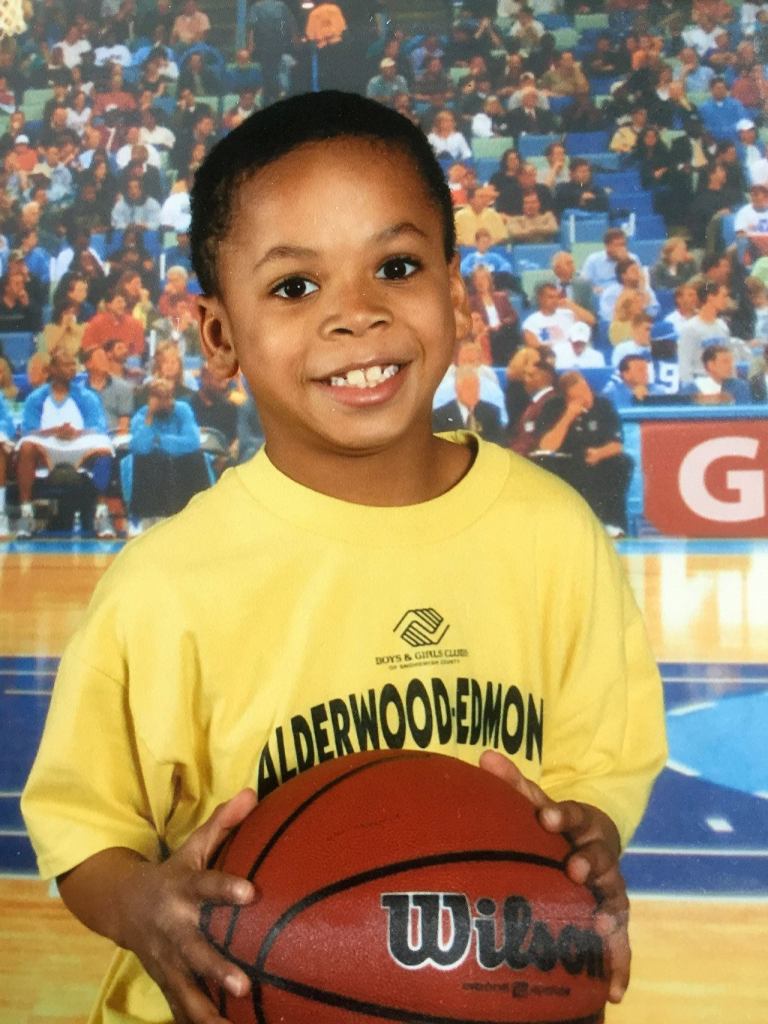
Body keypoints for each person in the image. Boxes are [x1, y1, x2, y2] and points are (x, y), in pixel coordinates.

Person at [22, 91, 665, 1024]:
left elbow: (599, 772)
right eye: (294, 287)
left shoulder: (552, 534)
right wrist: (140, 907)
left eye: (395, 267)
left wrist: (587, 843)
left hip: (490, 986)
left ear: (453, 289)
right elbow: (85, 831)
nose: (355, 316)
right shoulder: (166, 583)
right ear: (219, 335)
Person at [14, 346, 115, 538]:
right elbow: (28, 430)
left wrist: (75, 433)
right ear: (52, 369)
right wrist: (55, 431)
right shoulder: (36, 398)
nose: (72, 369)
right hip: (48, 444)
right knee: (26, 446)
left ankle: (102, 514)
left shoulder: (86, 396)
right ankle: (26, 514)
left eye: (73, 365)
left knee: (104, 448)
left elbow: (98, 428)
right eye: (65, 365)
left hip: (78, 443)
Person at [534, 371, 634, 537]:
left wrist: (599, 453)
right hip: (565, 461)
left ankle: (612, 524)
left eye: (586, 391)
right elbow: (547, 446)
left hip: (597, 459)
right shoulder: (552, 407)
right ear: (567, 398)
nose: (586, 399)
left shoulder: (603, 406)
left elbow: (617, 445)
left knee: (623, 462)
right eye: (578, 397)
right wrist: (568, 416)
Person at [432, 365, 504, 444]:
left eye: (477, 386)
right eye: (470, 387)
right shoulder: (440, 416)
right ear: (458, 388)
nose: (475, 391)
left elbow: (500, 444)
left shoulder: (491, 412)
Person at [681, 343, 753, 404]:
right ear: (711, 365)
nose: (731, 366)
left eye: (731, 362)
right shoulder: (692, 388)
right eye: (725, 362)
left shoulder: (740, 386)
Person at [602, 354, 666, 408]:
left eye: (646, 370)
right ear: (626, 374)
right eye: (640, 370)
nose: (646, 373)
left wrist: (647, 399)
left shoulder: (659, 391)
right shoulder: (611, 393)